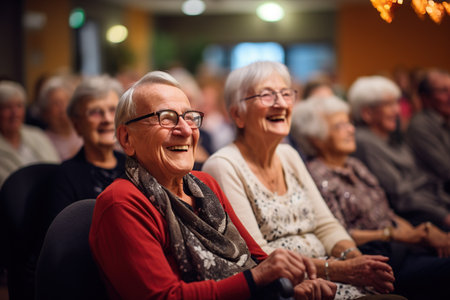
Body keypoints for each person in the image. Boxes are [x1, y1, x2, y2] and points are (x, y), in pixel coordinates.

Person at [89, 70, 337, 300]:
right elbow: (165, 297)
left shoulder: (205, 184)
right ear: (126, 138)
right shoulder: (121, 202)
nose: (186, 130)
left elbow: (255, 257)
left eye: (189, 117)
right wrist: (258, 279)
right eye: (166, 118)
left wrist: (290, 282)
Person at [202, 61, 395, 299]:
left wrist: (357, 261)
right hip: (293, 287)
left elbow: (327, 225)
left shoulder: (289, 155)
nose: (281, 103)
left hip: (335, 275)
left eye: (286, 93)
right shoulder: (223, 165)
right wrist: (340, 270)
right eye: (266, 95)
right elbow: (258, 253)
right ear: (237, 114)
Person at [291, 94, 450, 300]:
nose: (351, 129)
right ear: (316, 138)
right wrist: (398, 235)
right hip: (377, 259)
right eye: (340, 126)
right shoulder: (315, 175)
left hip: (403, 248)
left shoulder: (355, 165)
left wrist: (424, 233)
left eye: (349, 123)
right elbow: (341, 233)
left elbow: (386, 212)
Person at [347, 75, 450, 230]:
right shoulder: (364, 142)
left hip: (436, 207)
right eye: (388, 104)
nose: (397, 110)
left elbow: (422, 179)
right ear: (367, 113)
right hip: (415, 220)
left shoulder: (392, 138)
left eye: (396, 103)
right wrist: (443, 216)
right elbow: (400, 196)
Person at [46, 75, 125, 227]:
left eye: (113, 110)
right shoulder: (64, 177)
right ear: (77, 125)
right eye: (95, 112)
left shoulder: (134, 166)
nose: (107, 119)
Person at [0, 80, 59, 186]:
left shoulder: (37, 135)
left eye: (19, 106)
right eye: (7, 107)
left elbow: (56, 169)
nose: (15, 113)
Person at [406, 69, 450, 193]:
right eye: (443, 91)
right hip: (438, 198)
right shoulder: (420, 126)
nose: (449, 96)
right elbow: (446, 171)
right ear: (425, 97)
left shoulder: (445, 120)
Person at [37, 75, 83, 160]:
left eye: (66, 101)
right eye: (56, 103)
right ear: (46, 111)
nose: (62, 108)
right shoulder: (42, 141)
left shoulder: (84, 132)